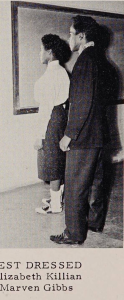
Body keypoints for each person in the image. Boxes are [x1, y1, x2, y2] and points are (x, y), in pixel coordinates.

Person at [50, 16, 111, 245]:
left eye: (71, 33)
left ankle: (73, 233)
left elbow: (83, 102)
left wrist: (69, 134)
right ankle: (95, 223)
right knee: (95, 182)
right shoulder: (101, 60)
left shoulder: (85, 60)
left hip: (83, 136)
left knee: (75, 184)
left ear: (81, 36)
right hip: (98, 135)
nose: (69, 38)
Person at [34, 34, 71, 214]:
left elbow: (46, 108)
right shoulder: (61, 71)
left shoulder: (52, 74)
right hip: (60, 115)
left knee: (53, 160)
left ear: (49, 52)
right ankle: (56, 198)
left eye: (41, 49)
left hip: (52, 119)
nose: (39, 53)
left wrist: (40, 136)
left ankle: (55, 205)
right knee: (57, 158)